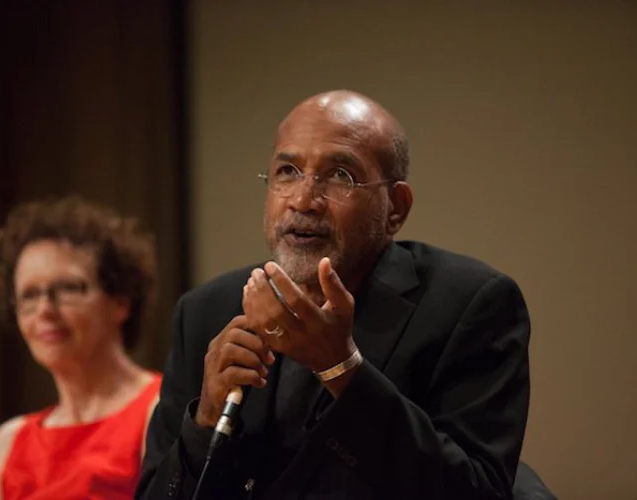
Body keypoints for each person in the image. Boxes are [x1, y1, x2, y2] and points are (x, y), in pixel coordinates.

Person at [135, 90, 532, 499]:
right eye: (287, 171)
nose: (303, 201)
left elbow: (477, 492)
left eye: (341, 175)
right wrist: (203, 421)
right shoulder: (206, 312)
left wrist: (341, 368)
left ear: (396, 207)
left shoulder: (469, 305)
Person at [0, 194, 162, 500]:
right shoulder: (8, 442)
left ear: (120, 301)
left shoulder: (159, 410)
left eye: (67, 288)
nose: (44, 310)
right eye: (29, 295)